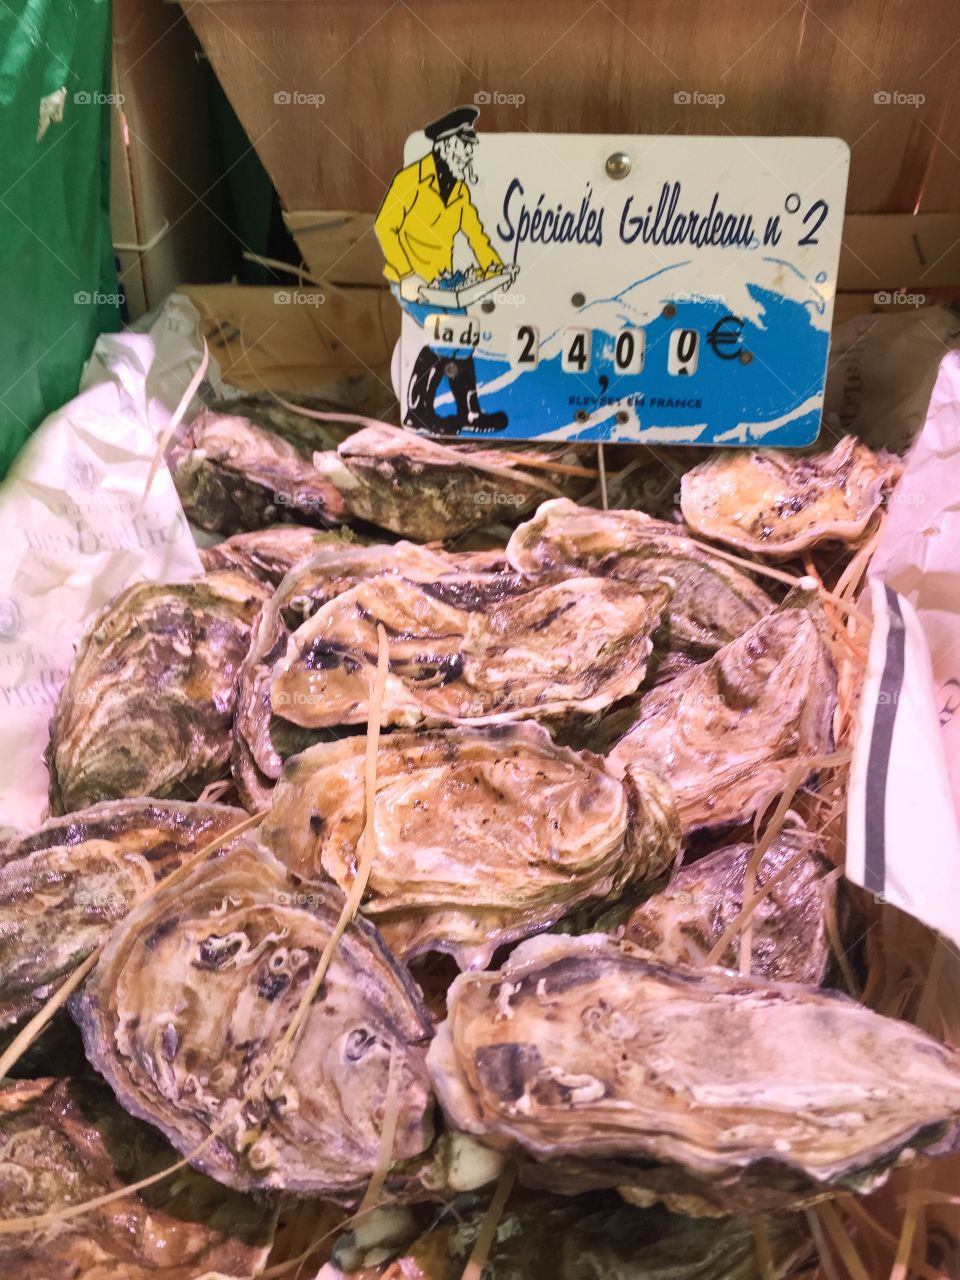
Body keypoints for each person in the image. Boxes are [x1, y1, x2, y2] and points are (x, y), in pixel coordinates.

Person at [375, 105, 511, 433]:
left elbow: (475, 233)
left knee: (460, 337)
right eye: (465, 146)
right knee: (446, 336)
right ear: (448, 146)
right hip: (410, 280)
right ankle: (420, 410)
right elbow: (385, 226)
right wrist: (407, 274)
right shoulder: (411, 180)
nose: (469, 153)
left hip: (443, 283)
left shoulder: (459, 189)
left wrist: (495, 267)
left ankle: (468, 414)